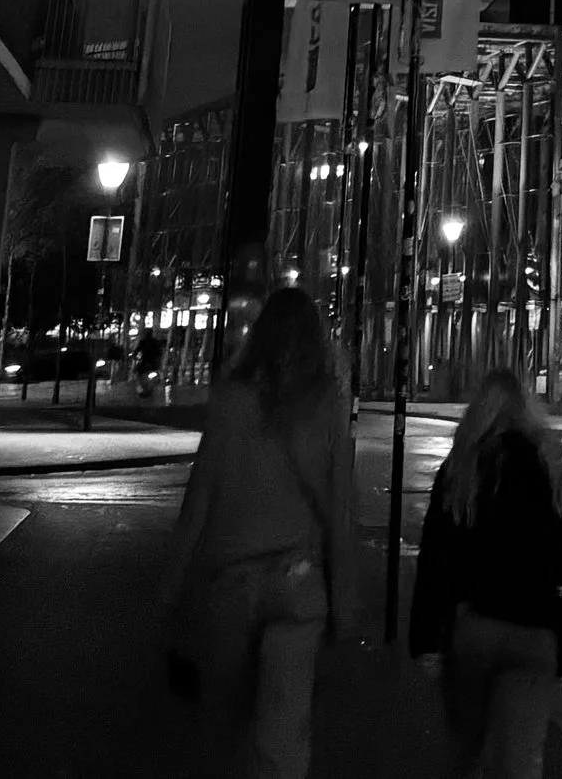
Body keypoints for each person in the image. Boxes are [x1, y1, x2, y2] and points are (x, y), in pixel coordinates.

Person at [164, 284, 354, 777]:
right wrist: (347, 602)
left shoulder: (230, 400)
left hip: (233, 580)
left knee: (224, 729)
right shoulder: (326, 404)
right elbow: (339, 509)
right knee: (283, 737)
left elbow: (199, 501)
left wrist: (170, 591)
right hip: (298, 579)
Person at [410, 366, 562, 779]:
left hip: (476, 627)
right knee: (520, 760)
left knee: (466, 751)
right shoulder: (552, 470)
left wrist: (425, 636)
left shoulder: (462, 472)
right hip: (535, 631)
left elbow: (436, 559)